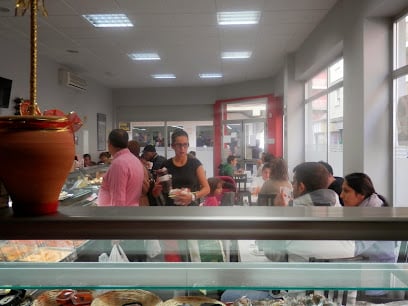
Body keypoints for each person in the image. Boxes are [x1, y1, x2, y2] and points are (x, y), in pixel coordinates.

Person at [341, 172, 397, 300]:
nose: (341, 195)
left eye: (346, 191)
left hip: (373, 285)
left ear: (361, 194)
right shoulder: (364, 210)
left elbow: (355, 248)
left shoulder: (374, 215)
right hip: (365, 276)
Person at [153, 128, 209, 206]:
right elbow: (157, 193)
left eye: (185, 145)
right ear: (173, 146)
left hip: (191, 209)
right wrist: (156, 190)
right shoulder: (166, 165)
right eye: (179, 145)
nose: (182, 148)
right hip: (171, 209)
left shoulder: (195, 164)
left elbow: (206, 188)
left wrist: (192, 196)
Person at [97, 129, 144, 206]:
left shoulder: (119, 163)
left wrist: (116, 217)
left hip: (119, 215)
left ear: (109, 144)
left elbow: (118, 200)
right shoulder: (134, 159)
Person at [274, 162, 341, 207]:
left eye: (294, 182)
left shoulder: (293, 208)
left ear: (301, 187)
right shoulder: (336, 202)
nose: (292, 186)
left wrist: (281, 209)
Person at [128, 140, 151, 206]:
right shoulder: (139, 163)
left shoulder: (134, 165)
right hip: (140, 202)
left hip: (138, 203)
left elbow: (144, 188)